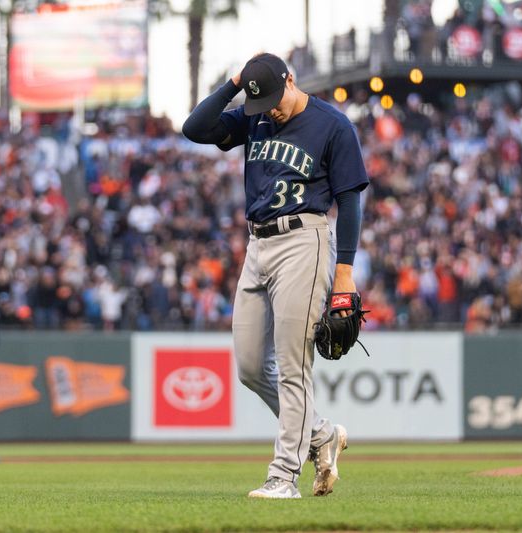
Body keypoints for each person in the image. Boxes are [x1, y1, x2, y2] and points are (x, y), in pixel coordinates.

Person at [183, 53, 369, 499]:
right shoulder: (256, 117)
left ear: (291, 79)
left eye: (271, 96)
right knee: (249, 365)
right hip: (257, 244)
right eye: (258, 100)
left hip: (305, 239)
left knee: (292, 365)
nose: (268, 108)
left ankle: (284, 475)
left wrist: (344, 274)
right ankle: (320, 433)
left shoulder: (333, 124)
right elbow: (195, 128)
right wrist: (235, 84)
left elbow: (351, 201)